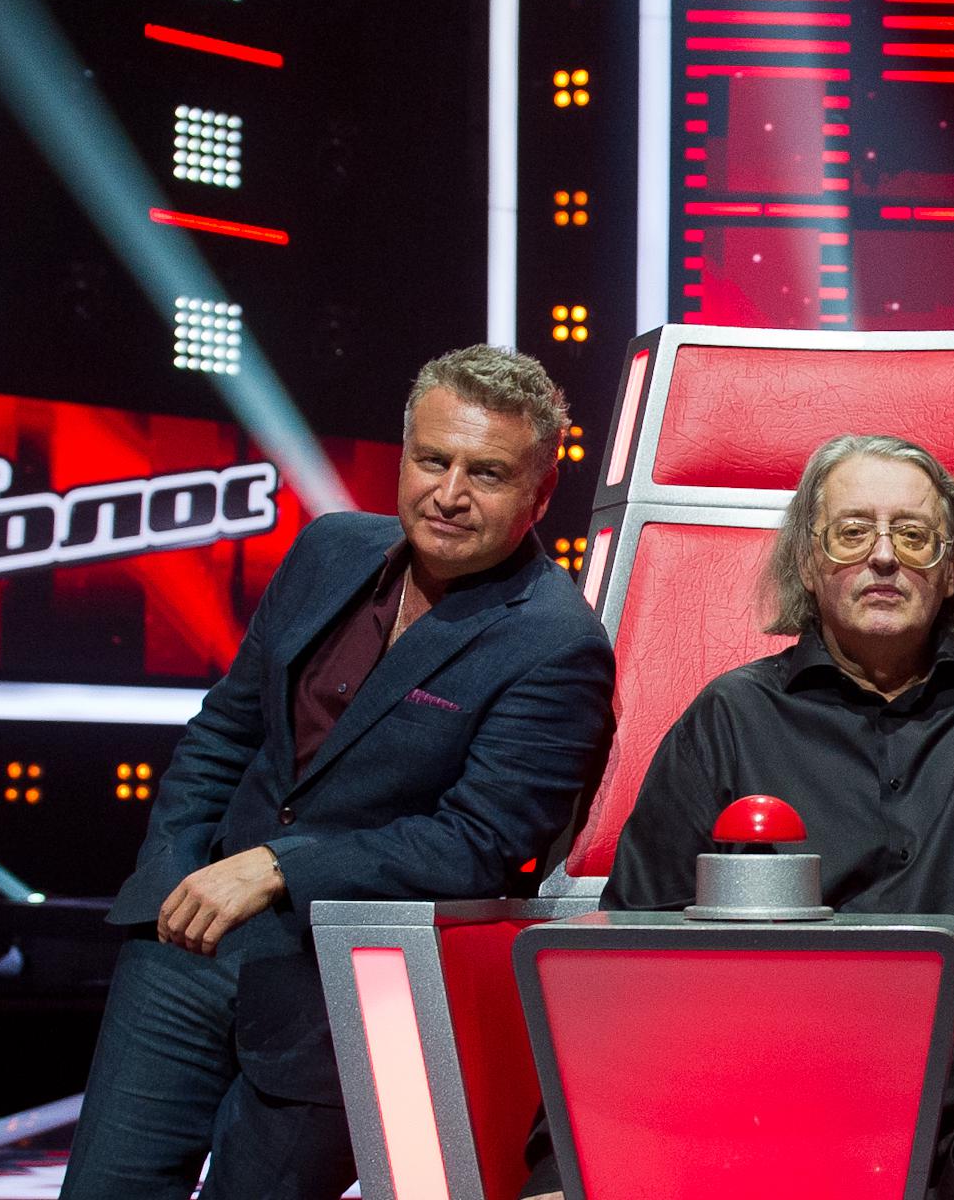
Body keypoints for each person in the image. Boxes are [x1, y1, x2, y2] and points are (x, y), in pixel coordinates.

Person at [522, 433, 954, 1200]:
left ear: (952, 566)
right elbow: (637, 949)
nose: (884, 557)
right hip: (783, 1105)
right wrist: (562, 1167)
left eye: (914, 534)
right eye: (852, 532)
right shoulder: (731, 719)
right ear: (807, 560)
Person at [61, 347, 618, 1199]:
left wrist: (278, 869)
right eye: (432, 460)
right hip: (185, 944)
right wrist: (172, 875)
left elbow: (476, 844)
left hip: (340, 992)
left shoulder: (556, 642)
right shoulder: (328, 548)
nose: (449, 493)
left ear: (540, 494)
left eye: (487, 473)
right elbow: (225, 732)